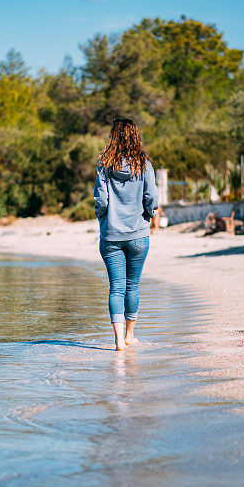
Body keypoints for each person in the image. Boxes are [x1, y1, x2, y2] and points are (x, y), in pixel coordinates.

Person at [93, 118, 159, 351]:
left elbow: (101, 200)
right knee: (133, 286)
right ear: (136, 137)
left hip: (111, 235)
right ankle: (131, 335)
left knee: (116, 287)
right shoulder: (144, 164)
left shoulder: (105, 163)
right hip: (138, 234)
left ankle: (118, 340)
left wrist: (103, 218)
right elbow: (151, 197)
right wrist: (149, 215)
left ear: (113, 137)